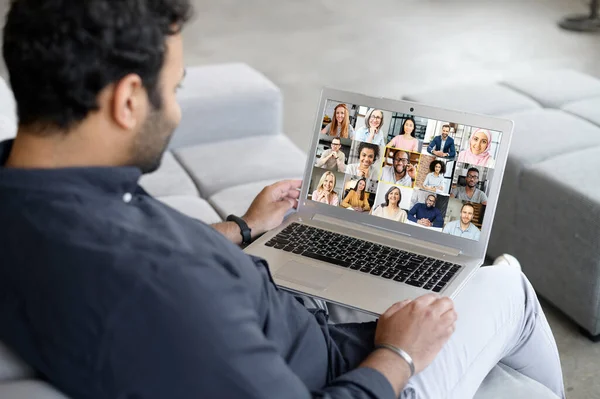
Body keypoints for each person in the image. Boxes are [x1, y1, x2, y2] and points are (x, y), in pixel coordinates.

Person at [0, 1, 566, 399]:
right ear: (127, 99)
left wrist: (244, 229)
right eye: (172, 90)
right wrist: (401, 355)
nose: (174, 110)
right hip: (338, 371)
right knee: (507, 284)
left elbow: (151, 243)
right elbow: (163, 279)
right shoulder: (154, 287)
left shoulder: (31, 184)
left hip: (285, 317)